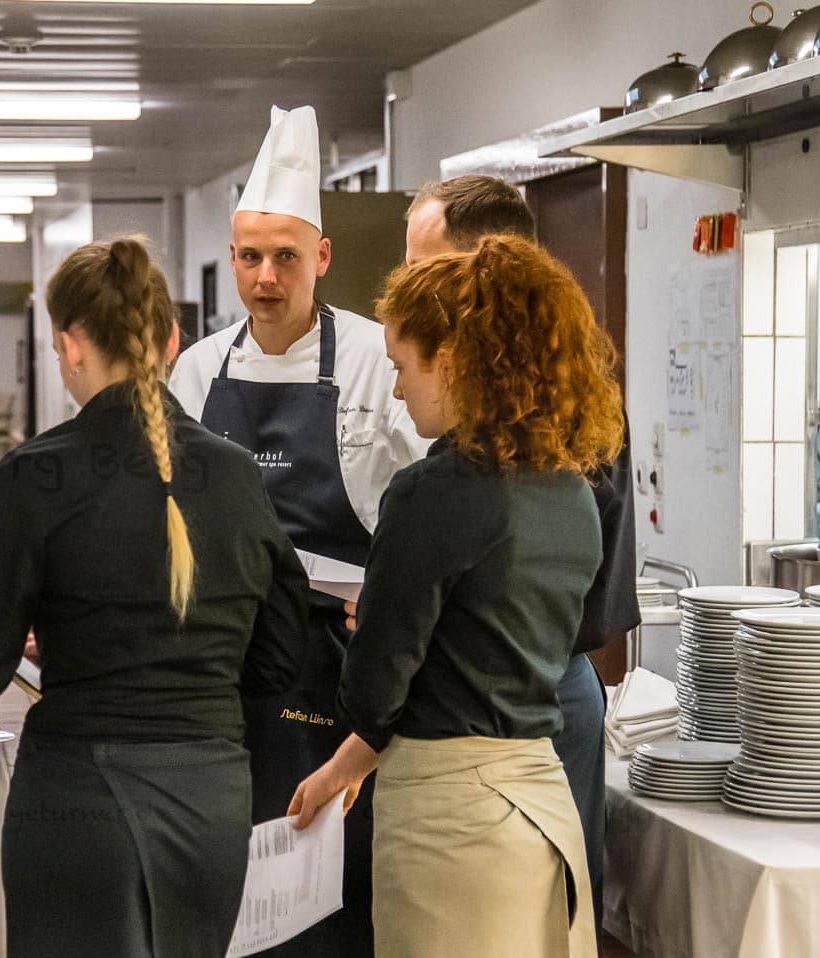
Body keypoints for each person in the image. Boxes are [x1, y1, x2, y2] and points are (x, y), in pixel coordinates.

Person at [0, 237, 311, 958]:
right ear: (171, 342)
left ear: (71, 346)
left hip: (78, 801)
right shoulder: (236, 474)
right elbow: (278, 657)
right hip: (212, 802)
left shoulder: (33, 477)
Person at [289, 235, 624, 958]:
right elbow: (477, 656)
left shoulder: (431, 493)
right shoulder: (571, 491)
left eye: (402, 366)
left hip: (454, 827)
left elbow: (374, 689)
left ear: (454, 361)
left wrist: (375, 616)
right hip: (539, 807)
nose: (397, 390)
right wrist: (344, 768)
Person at [169, 104, 427, 958]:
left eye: (286, 256)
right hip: (227, 660)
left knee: (338, 880)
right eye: (250, 257)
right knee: (231, 870)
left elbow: (433, 505)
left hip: (341, 662)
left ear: (322, 256)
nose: (266, 277)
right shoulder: (196, 371)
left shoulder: (376, 360)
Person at [405, 174, 641, 927]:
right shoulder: (445, 380)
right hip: (496, 691)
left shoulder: (561, 389)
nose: (409, 285)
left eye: (425, 267)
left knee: (545, 918)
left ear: (485, 268)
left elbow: (561, 584)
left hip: (532, 696)